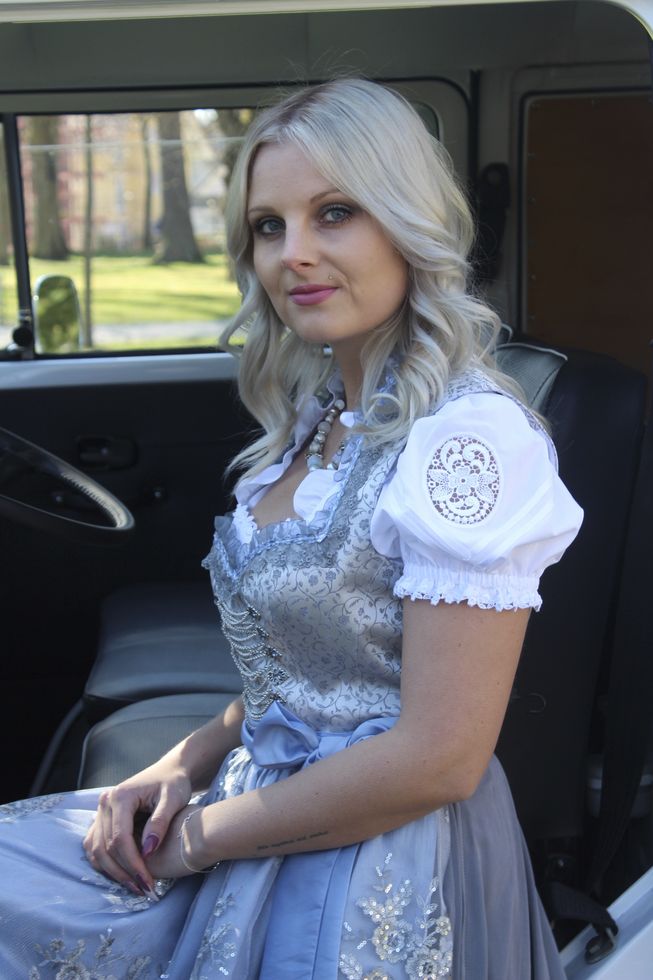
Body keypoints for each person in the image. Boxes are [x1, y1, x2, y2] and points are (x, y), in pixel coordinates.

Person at [0, 78, 583, 979]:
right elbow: (309, 670)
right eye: (268, 226)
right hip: (262, 799)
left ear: (407, 223)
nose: (293, 254)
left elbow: (438, 759)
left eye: (334, 213)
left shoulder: (466, 441)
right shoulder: (320, 417)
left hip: (383, 855)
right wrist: (183, 762)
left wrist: (197, 840)